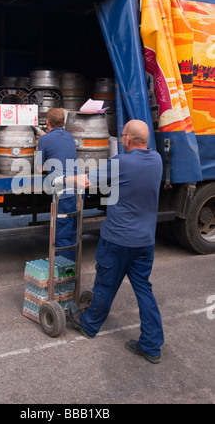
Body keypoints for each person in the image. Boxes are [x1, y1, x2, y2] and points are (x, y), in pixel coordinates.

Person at [55, 119, 164, 364]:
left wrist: (61, 179)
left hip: (117, 239)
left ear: (127, 139)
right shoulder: (156, 160)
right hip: (144, 241)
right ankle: (152, 346)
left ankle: (88, 324)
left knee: (105, 285)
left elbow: (85, 181)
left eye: (122, 135)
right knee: (144, 290)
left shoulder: (122, 162)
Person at [34, 108, 79, 261]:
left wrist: (40, 148)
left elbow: (39, 168)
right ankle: (72, 269)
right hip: (78, 191)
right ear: (63, 122)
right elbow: (56, 142)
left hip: (63, 193)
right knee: (72, 232)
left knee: (62, 236)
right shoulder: (69, 136)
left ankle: (64, 273)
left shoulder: (44, 140)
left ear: (47, 122)